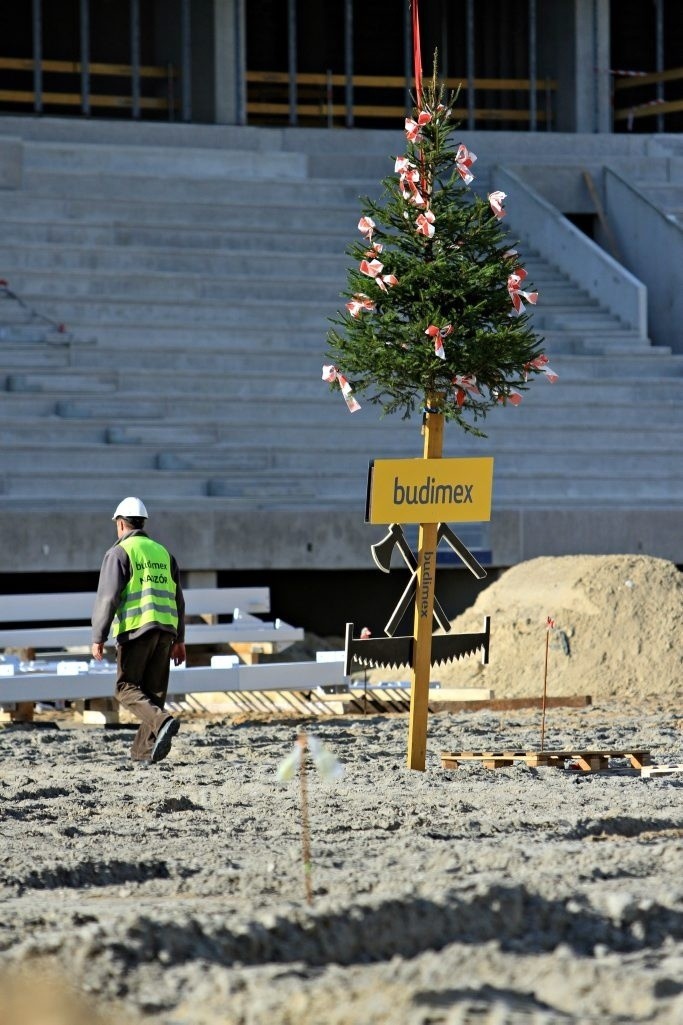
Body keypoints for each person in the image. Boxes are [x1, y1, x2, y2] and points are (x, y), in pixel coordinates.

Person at [91, 497, 186, 764]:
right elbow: (179, 599)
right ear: (142, 523)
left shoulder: (120, 552)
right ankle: (142, 752)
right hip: (166, 629)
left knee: (125, 687)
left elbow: (107, 597)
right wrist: (180, 639)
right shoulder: (163, 553)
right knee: (153, 693)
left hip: (136, 629)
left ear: (120, 524)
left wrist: (98, 636)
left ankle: (163, 721)